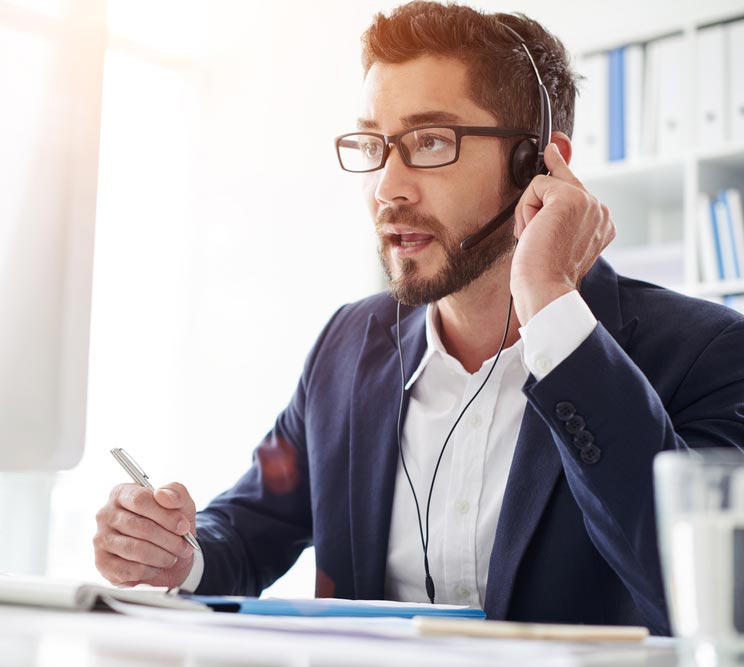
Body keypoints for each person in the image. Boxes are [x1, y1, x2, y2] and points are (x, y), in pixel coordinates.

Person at [92, 2, 744, 635]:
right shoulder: (346, 345)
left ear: (540, 163)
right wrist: (180, 552)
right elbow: (249, 524)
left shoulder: (704, 352)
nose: (387, 187)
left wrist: (549, 297)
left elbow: (714, 601)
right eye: (375, 145)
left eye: (430, 141)